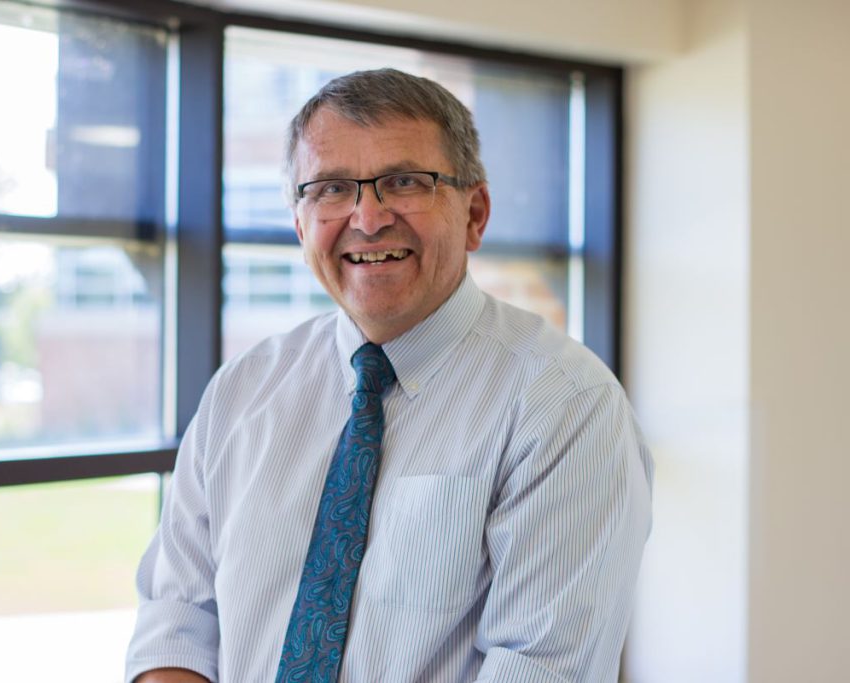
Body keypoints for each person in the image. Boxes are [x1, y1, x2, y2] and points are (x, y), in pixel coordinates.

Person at [125, 68, 653, 683]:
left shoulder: (565, 407)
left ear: (475, 213)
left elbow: (541, 669)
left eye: (405, 182)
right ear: (300, 223)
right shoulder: (243, 390)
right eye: (329, 188)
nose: (367, 218)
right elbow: (178, 619)